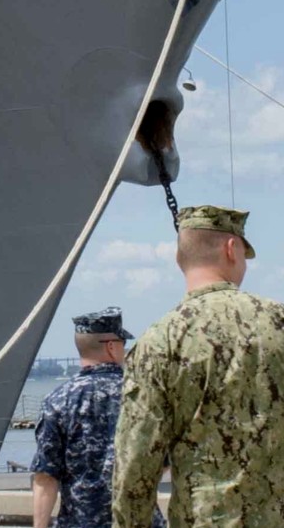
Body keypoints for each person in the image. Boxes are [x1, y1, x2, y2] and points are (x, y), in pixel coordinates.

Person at [112, 205, 284, 527]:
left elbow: (135, 465)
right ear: (231, 249)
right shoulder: (279, 322)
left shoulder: (159, 342)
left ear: (181, 258)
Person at [31, 308, 153, 528]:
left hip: (80, 521)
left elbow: (45, 477)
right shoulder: (143, 395)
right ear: (111, 346)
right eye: (123, 345)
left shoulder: (57, 401)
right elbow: (162, 460)